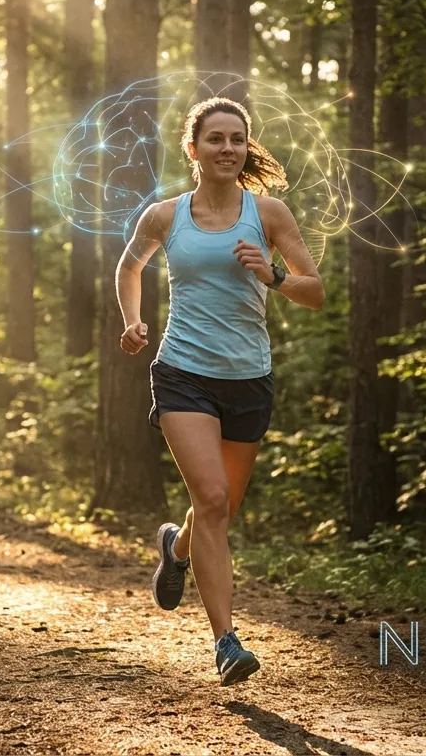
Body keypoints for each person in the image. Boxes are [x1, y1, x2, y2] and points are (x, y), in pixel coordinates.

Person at [115, 97, 325, 686]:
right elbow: (129, 267)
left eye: (237, 138)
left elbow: (316, 291)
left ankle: (177, 550)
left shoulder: (270, 214)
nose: (227, 148)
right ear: (194, 149)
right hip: (182, 371)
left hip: (248, 377)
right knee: (210, 498)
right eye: (216, 139)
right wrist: (132, 319)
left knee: (220, 508)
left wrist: (274, 275)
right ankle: (226, 642)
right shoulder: (165, 216)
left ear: (246, 147)